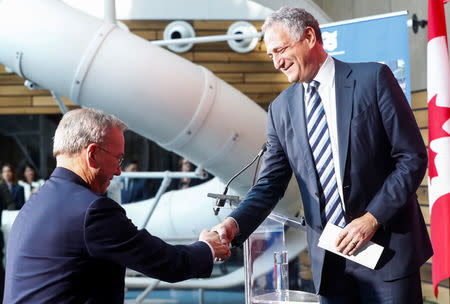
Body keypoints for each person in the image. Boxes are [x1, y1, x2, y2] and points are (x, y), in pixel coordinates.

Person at [212, 7, 432, 303]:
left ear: (309, 36)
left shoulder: (373, 79)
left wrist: (371, 218)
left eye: (280, 50)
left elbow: (412, 158)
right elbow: (270, 185)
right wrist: (234, 224)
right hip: (331, 266)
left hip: (387, 255)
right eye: (270, 56)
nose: (276, 63)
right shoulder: (280, 110)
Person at [4, 108, 230, 303]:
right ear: (92, 154)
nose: (119, 170)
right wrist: (207, 247)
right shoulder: (92, 210)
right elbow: (167, 264)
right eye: (118, 158)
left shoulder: (33, 205)